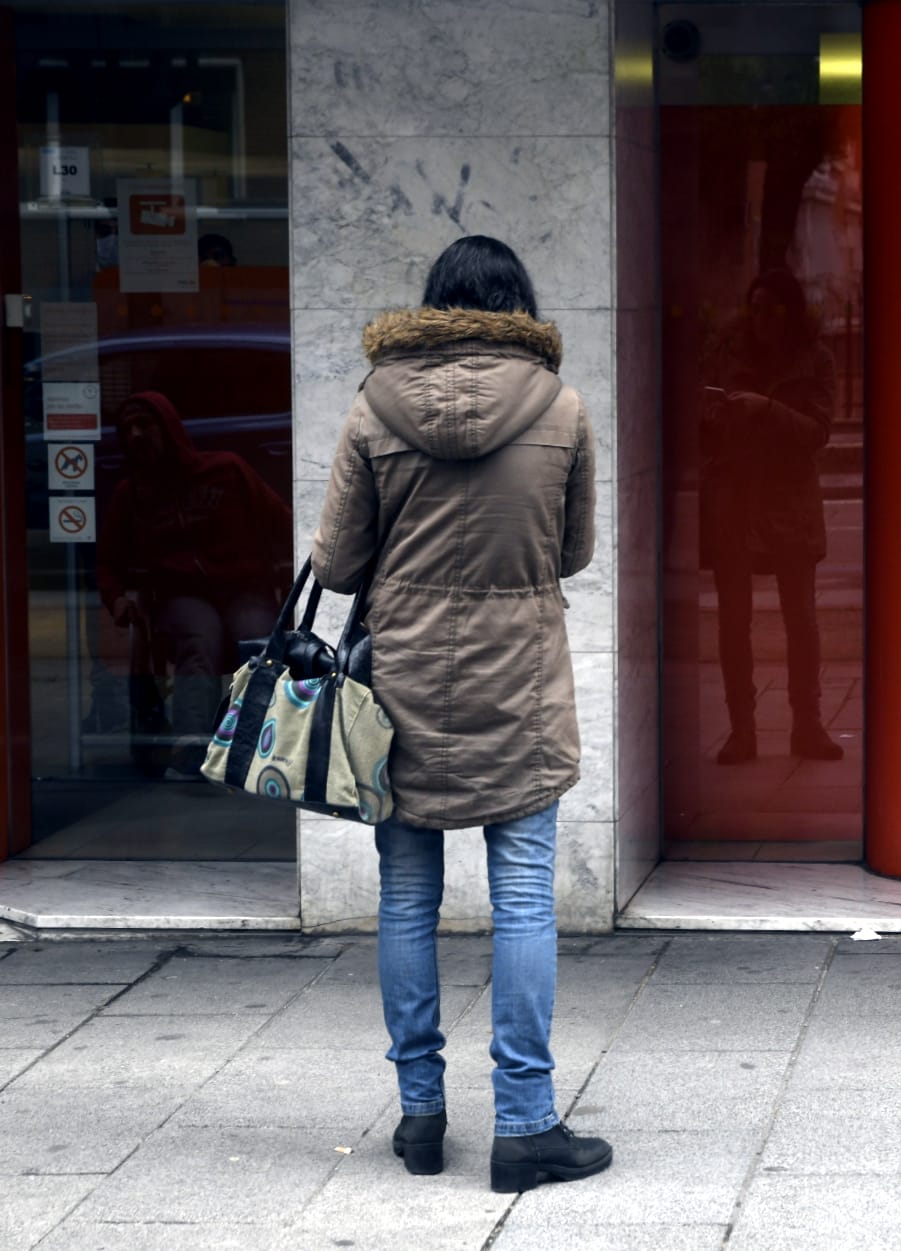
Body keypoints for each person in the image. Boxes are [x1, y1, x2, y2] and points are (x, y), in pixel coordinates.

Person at [312, 235, 610, 1193]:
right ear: (519, 307)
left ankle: (422, 1115)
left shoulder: (375, 404)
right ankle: (524, 1125)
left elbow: (338, 565)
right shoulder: (559, 407)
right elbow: (573, 552)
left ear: (434, 307)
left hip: (398, 691)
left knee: (407, 897)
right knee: (522, 898)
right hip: (520, 688)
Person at [96, 391, 291, 775]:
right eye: (128, 429)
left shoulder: (226, 471)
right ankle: (193, 747)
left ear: (167, 428)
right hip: (179, 593)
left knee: (258, 639)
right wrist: (116, 598)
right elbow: (108, 560)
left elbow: (282, 519)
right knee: (199, 637)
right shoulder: (131, 494)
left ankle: (265, 742)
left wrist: (289, 568)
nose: (136, 435)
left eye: (145, 425)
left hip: (243, 585)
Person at [700, 267, 842, 764]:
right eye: (755, 309)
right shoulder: (729, 353)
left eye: (772, 311)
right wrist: (713, 417)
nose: (762, 320)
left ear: (791, 314)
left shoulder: (816, 359)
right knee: (732, 623)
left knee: (800, 619)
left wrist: (766, 410)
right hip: (736, 499)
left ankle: (808, 725)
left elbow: (818, 431)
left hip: (789, 501)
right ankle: (743, 731)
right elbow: (698, 431)